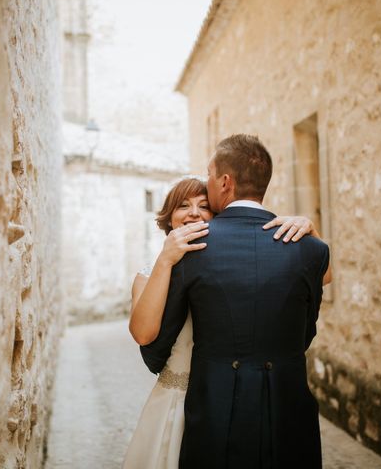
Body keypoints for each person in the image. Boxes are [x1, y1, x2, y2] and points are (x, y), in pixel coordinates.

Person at [138, 134, 331, 468]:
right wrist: (311, 232)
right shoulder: (310, 248)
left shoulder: (192, 248)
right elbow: (307, 324)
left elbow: (155, 343)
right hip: (289, 407)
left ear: (224, 182)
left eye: (210, 175)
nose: (207, 187)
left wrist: (158, 362)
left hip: (216, 407)